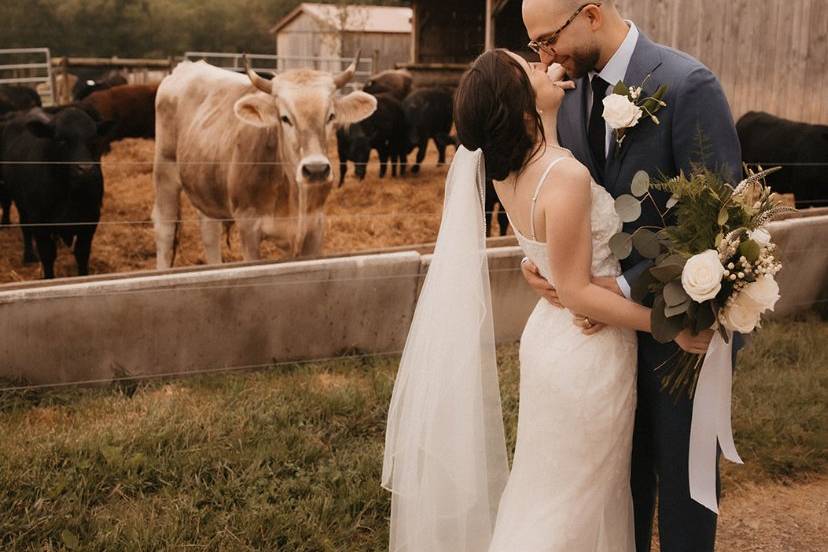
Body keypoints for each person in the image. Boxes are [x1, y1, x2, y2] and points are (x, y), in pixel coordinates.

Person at [381, 47, 714, 551]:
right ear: (519, 105)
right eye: (531, 67)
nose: (546, 67)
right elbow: (579, 293)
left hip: (550, 345)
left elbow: (558, 266)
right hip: (588, 353)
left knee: (552, 489)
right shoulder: (567, 176)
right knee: (577, 499)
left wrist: (546, 98)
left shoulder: (507, 171)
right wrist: (672, 326)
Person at [520, 1, 742, 550]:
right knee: (621, 484)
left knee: (685, 486)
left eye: (549, 39)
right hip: (602, 342)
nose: (546, 57)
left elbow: (717, 223)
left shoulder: (688, 85)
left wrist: (617, 288)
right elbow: (567, 204)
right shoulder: (569, 98)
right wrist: (543, 265)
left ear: (591, 15)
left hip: (680, 332)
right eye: (537, 47)